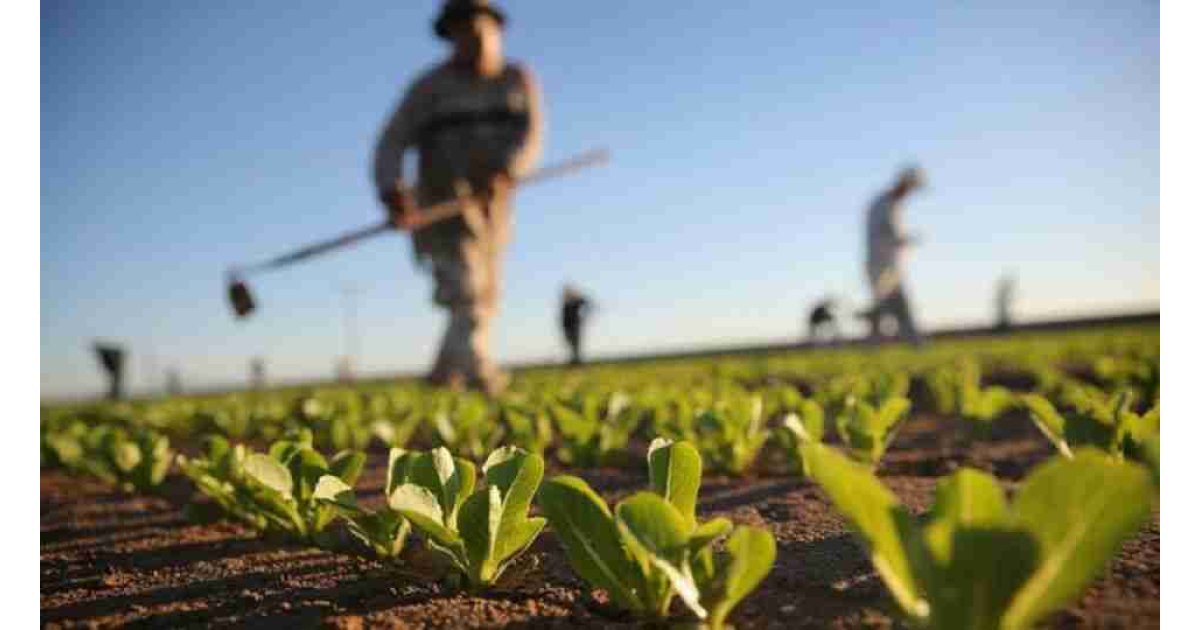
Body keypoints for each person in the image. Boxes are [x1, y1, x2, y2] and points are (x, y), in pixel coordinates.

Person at [372, 0, 543, 395]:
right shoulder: (429, 89)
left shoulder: (518, 80)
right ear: (451, 37)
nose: (474, 41)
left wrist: (509, 171)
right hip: (441, 205)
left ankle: (442, 375)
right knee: (466, 290)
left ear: (497, 31)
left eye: (481, 32)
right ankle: (479, 375)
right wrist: (391, 189)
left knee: (484, 293)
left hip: (493, 210)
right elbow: (391, 142)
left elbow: (530, 136)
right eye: (463, 33)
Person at [861, 165, 925, 345]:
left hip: (891, 266)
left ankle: (915, 343)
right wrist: (904, 240)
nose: (910, 193)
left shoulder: (894, 205)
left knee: (899, 305)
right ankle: (875, 345)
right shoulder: (882, 204)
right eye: (910, 188)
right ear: (904, 183)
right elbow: (885, 233)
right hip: (879, 266)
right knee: (883, 307)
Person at [560, 285, 592, 365]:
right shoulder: (566, 303)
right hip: (567, 327)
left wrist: (584, 316)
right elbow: (563, 318)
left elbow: (587, 303)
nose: (565, 294)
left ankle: (577, 362)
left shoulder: (576, 301)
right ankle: (575, 361)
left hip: (574, 326)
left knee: (575, 345)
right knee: (571, 345)